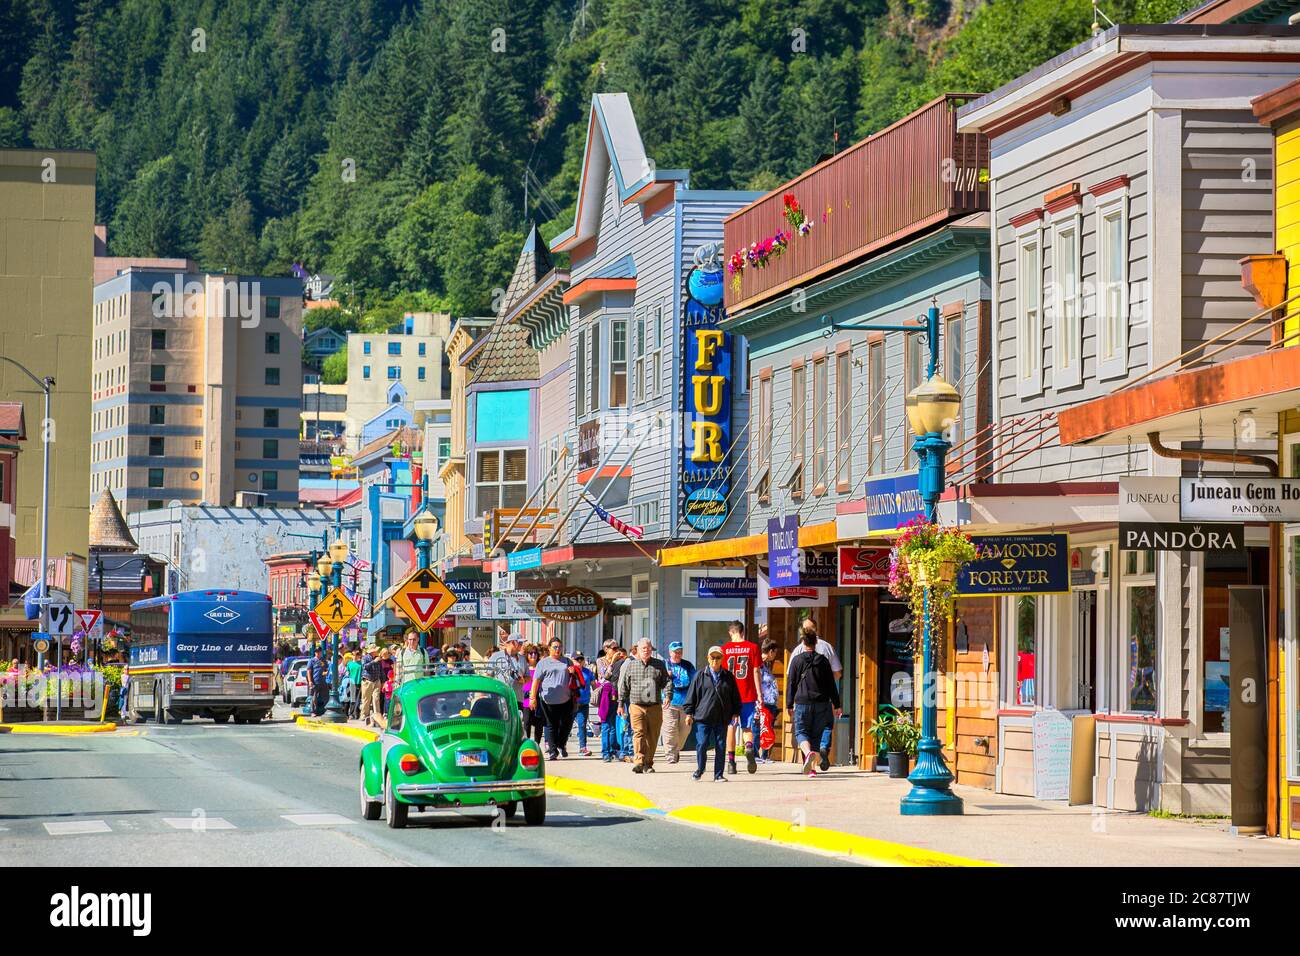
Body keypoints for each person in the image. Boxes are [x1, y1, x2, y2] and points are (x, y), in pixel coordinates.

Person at [784, 626, 842, 776]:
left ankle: (808, 755)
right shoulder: (823, 661)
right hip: (822, 703)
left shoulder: (797, 660)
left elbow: (791, 683)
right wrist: (837, 704)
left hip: (802, 702)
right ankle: (812, 770)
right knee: (816, 736)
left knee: (801, 733)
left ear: (803, 642)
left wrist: (789, 704)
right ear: (816, 642)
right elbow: (831, 685)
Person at [682, 646, 741, 782]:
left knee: (720, 746)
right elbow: (691, 696)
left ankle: (718, 774)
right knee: (702, 744)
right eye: (712, 657)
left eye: (718, 657)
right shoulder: (699, 675)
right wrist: (689, 714)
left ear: (722, 659)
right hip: (703, 717)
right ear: (708, 659)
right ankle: (700, 769)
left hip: (722, 717)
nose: (715, 660)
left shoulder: (728, 677)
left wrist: (736, 712)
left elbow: (735, 697)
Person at [616, 638, 669, 774]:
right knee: (638, 733)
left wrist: (668, 695)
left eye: (649, 648)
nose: (646, 650)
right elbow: (624, 687)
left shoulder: (659, 665)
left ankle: (648, 763)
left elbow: (667, 682)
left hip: (654, 706)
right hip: (636, 706)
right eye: (643, 648)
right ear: (638, 650)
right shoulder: (631, 666)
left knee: (653, 736)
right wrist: (621, 704)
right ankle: (639, 761)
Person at [720, 621, 763, 775]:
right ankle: (749, 746)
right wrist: (759, 693)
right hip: (747, 693)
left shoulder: (724, 650)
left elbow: (721, 674)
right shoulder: (753, 648)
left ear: (731, 633)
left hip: (729, 695)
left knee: (731, 726)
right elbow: (756, 671)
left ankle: (731, 762)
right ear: (742, 632)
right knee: (747, 727)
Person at [529, 638, 583, 759]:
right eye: (555, 647)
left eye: (559, 647)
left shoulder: (567, 661)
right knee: (550, 725)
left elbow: (575, 677)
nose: (557, 649)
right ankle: (553, 751)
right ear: (549, 648)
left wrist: (573, 671)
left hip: (566, 699)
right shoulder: (543, 663)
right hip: (548, 700)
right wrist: (532, 698)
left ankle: (561, 744)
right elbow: (536, 681)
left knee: (567, 724)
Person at [661, 642, 696, 764]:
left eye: (680, 651)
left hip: (686, 703)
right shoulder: (664, 664)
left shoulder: (687, 665)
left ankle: (677, 749)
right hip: (669, 702)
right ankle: (670, 755)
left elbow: (695, 681)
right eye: (675, 652)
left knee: (685, 730)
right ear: (670, 652)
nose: (678, 654)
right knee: (670, 729)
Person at [757, 638, 781, 763]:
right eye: (775, 652)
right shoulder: (758, 664)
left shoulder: (766, 664)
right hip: (762, 701)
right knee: (759, 727)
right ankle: (756, 754)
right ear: (770, 652)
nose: (775, 655)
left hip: (770, 702)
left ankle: (764, 755)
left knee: (768, 728)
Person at [520, 644, 545, 743]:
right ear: (527, 655)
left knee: (539, 724)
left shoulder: (540, 667)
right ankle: (527, 744)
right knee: (527, 723)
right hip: (526, 699)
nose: (533, 655)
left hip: (539, 699)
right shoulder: (524, 668)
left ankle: (537, 745)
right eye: (531, 653)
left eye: (535, 653)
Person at [572, 652, 595, 756]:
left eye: (581, 659)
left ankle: (583, 747)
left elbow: (594, 686)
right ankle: (560, 745)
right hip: (571, 703)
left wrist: (597, 695)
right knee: (565, 725)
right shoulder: (569, 671)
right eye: (577, 660)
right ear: (572, 660)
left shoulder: (588, 672)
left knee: (582, 725)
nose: (579, 662)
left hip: (583, 703)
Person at [591, 671, 617, 761]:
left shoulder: (600, 684)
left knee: (606, 729)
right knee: (612, 729)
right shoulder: (612, 685)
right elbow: (614, 696)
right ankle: (611, 751)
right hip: (612, 708)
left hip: (603, 710)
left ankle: (605, 753)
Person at [360, 645, 382, 727]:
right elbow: (364, 667)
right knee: (366, 699)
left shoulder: (377, 658)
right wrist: (374, 661)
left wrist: (382, 680)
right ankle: (364, 715)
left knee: (376, 698)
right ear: (372, 651)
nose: (377, 651)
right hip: (367, 681)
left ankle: (377, 715)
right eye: (376, 650)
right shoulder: (365, 658)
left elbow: (380, 669)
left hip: (376, 680)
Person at [306, 647, 329, 717]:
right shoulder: (312, 661)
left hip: (323, 681)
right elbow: (309, 671)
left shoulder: (323, 660)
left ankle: (325, 710)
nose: (318, 653)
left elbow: (326, 668)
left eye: (319, 652)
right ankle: (313, 711)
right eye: (316, 652)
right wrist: (310, 681)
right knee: (314, 697)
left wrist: (326, 673)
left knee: (325, 696)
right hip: (315, 681)